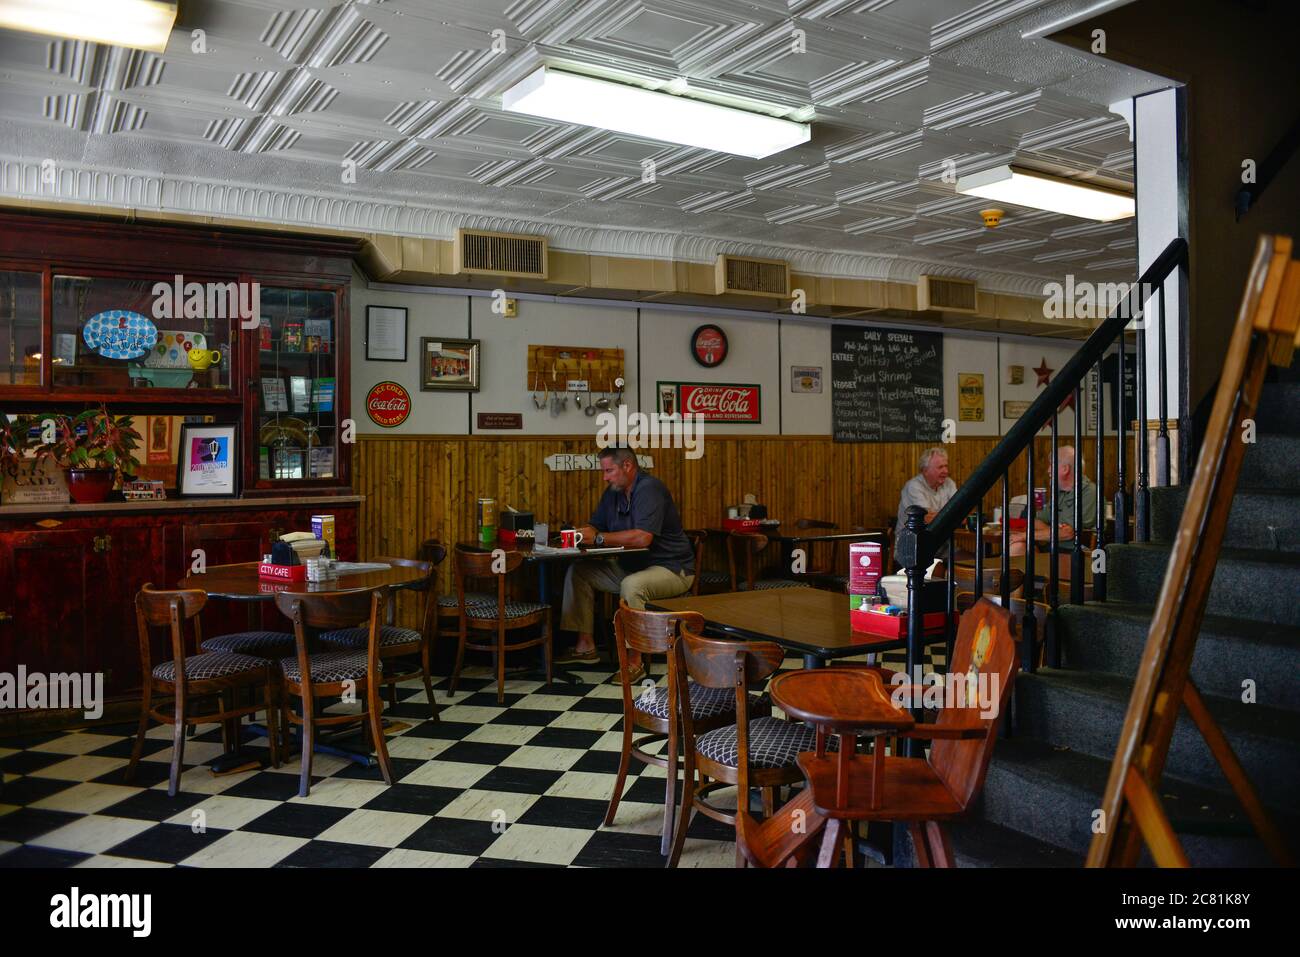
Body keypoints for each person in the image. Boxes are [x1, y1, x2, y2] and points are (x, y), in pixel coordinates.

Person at [555, 447, 695, 682]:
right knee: (579, 571)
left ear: (628, 466)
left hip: (672, 569)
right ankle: (585, 646)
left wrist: (599, 539)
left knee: (632, 585)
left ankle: (634, 662)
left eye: (609, 470)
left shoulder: (650, 488)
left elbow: (643, 537)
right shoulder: (613, 492)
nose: (605, 477)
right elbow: (594, 526)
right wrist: (577, 534)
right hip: (632, 567)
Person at [1008, 445, 1097, 556]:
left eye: (1052, 465)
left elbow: (1068, 533)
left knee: (1016, 544)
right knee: (1017, 546)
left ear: (1065, 469)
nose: (1048, 470)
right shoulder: (1060, 492)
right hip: (1050, 548)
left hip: (1073, 555)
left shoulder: (1090, 492)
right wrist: (1054, 531)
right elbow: (1037, 521)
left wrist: (1024, 536)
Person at [895, 447, 958, 547]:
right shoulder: (914, 486)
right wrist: (953, 516)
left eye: (946, 466)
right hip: (912, 546)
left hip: (941, 545)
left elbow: (962, 512)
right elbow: (926, 518)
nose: (945, 471)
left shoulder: (949, 483)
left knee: (974, 559)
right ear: (925, 470)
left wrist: (953, 515)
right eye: (940, 467)